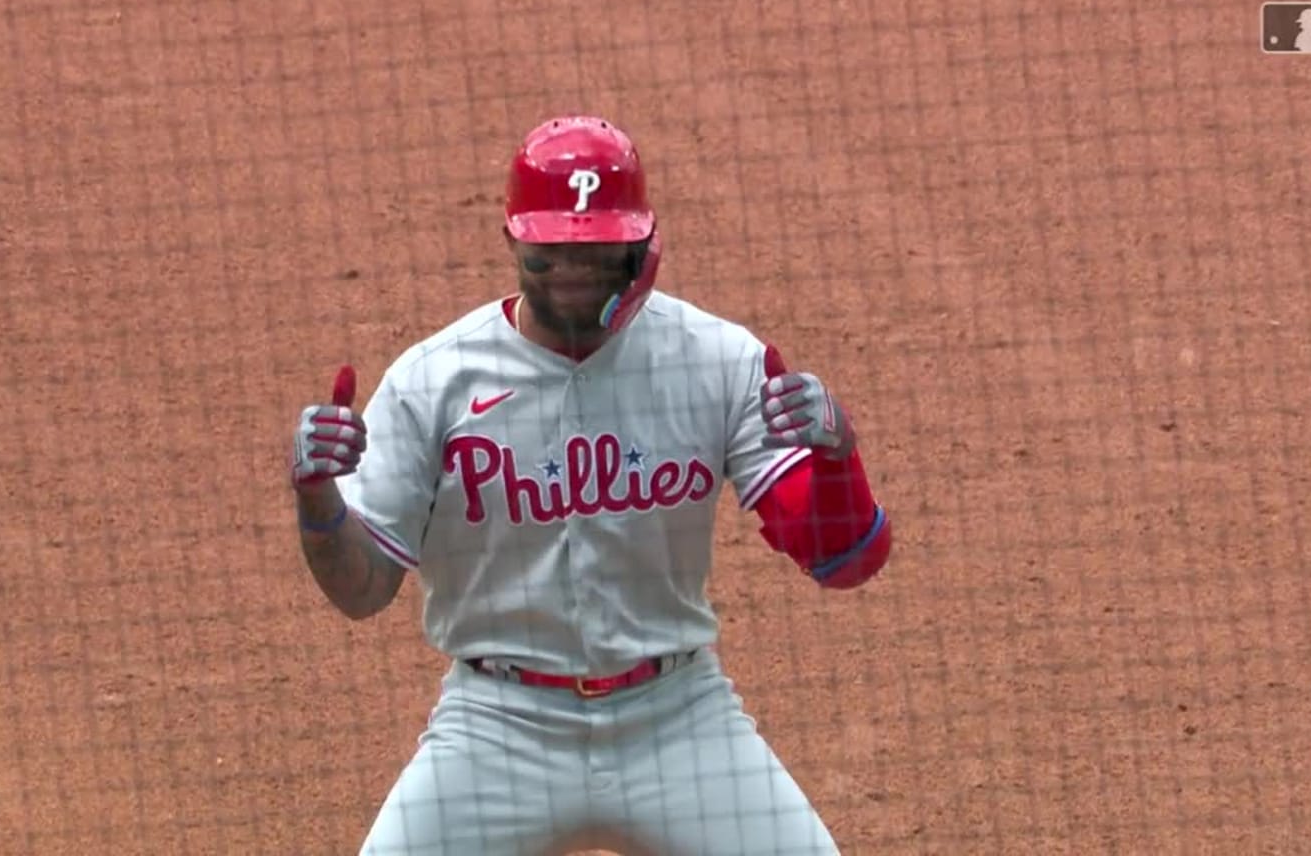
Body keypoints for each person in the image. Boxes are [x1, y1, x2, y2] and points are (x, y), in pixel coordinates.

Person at [290, 115, 893, 855]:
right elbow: (363, 590)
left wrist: (840, 455)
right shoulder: (433, 382)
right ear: (513, 240)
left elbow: (843, 559)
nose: (571, 269)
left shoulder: (715, 360)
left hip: (677, 720)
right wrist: (318, 503)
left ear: (640, 243)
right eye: (550, 250)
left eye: (595, 248)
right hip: (498, 730)